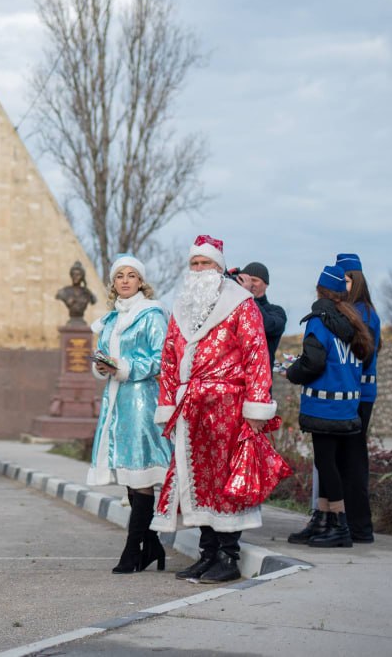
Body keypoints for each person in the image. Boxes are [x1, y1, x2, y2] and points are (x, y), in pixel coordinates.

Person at [152, 235, 280, 584]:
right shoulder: (182, 306)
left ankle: (228, 555)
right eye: (194, 264)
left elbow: (257, 355)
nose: (198, 270)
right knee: (198, 481)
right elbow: (168, 359)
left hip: (230, 407)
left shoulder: (241, 303)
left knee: (226, 480)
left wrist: (256, 406)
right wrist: (167, 402)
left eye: (204, 263)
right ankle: (208, 553)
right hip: (190, 408)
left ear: (219, 267)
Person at [87, 253, 172, 574]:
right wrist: (102, 366)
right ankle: (151, 546)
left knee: (141, 475)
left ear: (141, 282)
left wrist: (122, 367)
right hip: (116, 402)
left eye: (131, 275)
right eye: (119, 275)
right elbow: (107, 357)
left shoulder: (151, 314)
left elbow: (161, 358)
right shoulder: (109, 320)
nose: (124, 280)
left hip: (141, 400)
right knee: (129, 473)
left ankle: (132, 549)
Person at [283, 265, 374, 548]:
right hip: (348, 405)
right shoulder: (352, 320)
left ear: (319, 290)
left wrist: (292, 372)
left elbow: (314, 361)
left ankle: (339, 524)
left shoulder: (319, 321)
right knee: (330, 463)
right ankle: (324, 519)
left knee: (326, 464)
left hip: (324, 405)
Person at [336, 252, 382, 543]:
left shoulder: (362, 314)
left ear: (356, 280)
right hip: (360, 393)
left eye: (345, 280)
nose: (342, 285)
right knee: (349, 457)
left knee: (352, 458)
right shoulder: (364, 311)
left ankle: (359, 526)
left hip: (359, 395)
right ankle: (354, 523)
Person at [236, 262, 286, 367]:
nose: (250, 284)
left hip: (261, 378)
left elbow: (267, 325)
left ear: (266, 284)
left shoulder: (277, 311)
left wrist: (247, 296)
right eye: (247, 280)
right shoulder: (235, 309)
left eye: (254, 280)